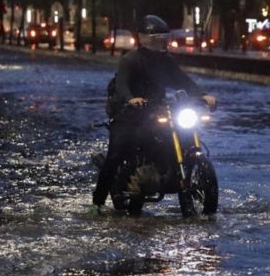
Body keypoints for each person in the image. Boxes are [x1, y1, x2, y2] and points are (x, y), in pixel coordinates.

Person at [92, 15, 216, 212]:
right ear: (144, 38)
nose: (161, 42)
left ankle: (171, 173)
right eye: (156, 38)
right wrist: (131, 99)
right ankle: (98, 201)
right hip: (128, 112)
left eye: (163, 38)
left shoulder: (166, 60)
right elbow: (122, 85)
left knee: (177, 134)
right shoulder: (130, 59)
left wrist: (203, 95)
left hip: (157, 109)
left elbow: (183, 81)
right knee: (116, 154)